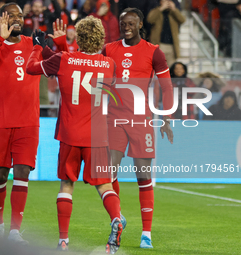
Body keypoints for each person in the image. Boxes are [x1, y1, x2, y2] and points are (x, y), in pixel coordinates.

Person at [26, 16, 123, 254]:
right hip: (98, 136)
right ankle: (116, 218)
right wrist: (59, 48)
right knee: (104, 185)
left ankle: (63, 241)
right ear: (102, 39)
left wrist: (38, 46)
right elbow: (80, 66)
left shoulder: (64, 59)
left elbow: (33, 67)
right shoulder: (110, 64)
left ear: (78, 37)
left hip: (70, 134)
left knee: (67, 184)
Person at [0, 2, 60, 245]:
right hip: (0, 121)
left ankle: (14, 232)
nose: (17, 20)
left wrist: (60, 45)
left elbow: (58, 66)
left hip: (28, 122)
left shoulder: (34, 45)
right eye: (12, 16)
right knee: (0, 175)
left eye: (20, 16)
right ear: (2, 19)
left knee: (23, 172)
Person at [101, 8, 174, 249]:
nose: (126, 27)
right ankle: (118, 217)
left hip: (141, 121)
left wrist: (166, 117)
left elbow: (167, 87)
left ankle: (146, 234)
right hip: (114, 120)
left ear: (140, 24)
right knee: (108, 175)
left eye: (131, 23)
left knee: (143, 177)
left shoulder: (154, 52)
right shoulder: (109, 49)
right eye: (123, 23)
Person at [147, 0, 186, 67]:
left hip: (171, 46)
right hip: (158, 45)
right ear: (160, 2)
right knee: (157, 69)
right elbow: (150, 19)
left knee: (170, 71)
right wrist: (161, 8)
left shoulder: (173, 13)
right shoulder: (157, 11)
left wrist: (174, 9)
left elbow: (182, 20)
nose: (167, 3)